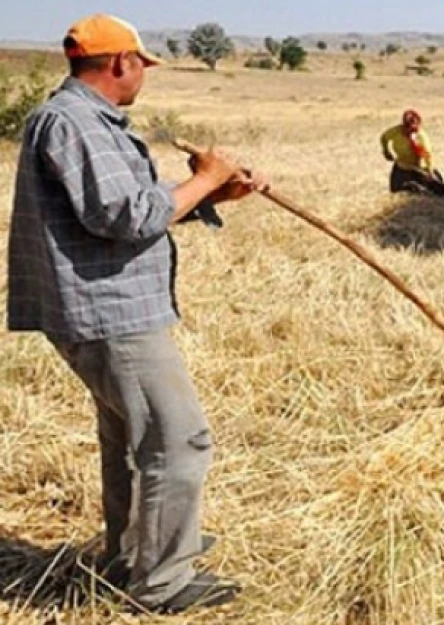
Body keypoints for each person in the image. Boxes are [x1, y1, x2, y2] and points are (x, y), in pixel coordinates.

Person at [6, 13, 269, 615]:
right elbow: (125, 218)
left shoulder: (83, 121)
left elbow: (134, 210)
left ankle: (135, 554)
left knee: (129, 440)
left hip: (104, 308)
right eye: (141, 66)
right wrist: (204, 177)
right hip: (110, 313)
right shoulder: (73, 122)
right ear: (121, 63)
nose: (143, 76)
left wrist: (213, 191)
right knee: (180, 441)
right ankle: (164, 582)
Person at [380, 109, 444, 200]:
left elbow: (427, 155)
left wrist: (430, 171)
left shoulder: (421, 136)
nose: (412, 131)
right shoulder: (396, 131)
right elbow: (384, 137)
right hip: (402, 167)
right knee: (396, 193)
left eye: (415, 128)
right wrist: (386, 151)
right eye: (409, 128)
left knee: (435, 192)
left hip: (420, 168)